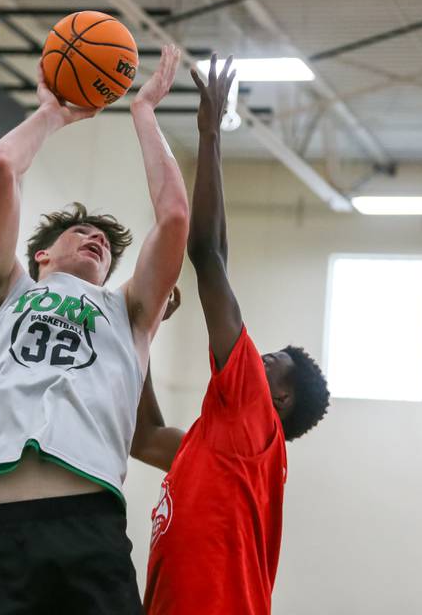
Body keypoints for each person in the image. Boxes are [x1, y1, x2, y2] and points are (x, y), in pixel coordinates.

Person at [0, 44, 188, 614]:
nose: (95, 238)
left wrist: (144, 114)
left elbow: (174, 218)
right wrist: (53, 112)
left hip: (88, 527)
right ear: (41, 255)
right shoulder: (1, 291)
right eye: (81, 232)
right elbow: (2, 167)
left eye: (104, 241)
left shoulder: (129, 313)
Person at [137, 55, 331, 615]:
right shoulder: (219, 450)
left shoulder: (253, 416)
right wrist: (144, 334)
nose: (253, 357)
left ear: (280, 398)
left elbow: (208, 255)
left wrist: (209, 134)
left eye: (268, 360)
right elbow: (143, 437)